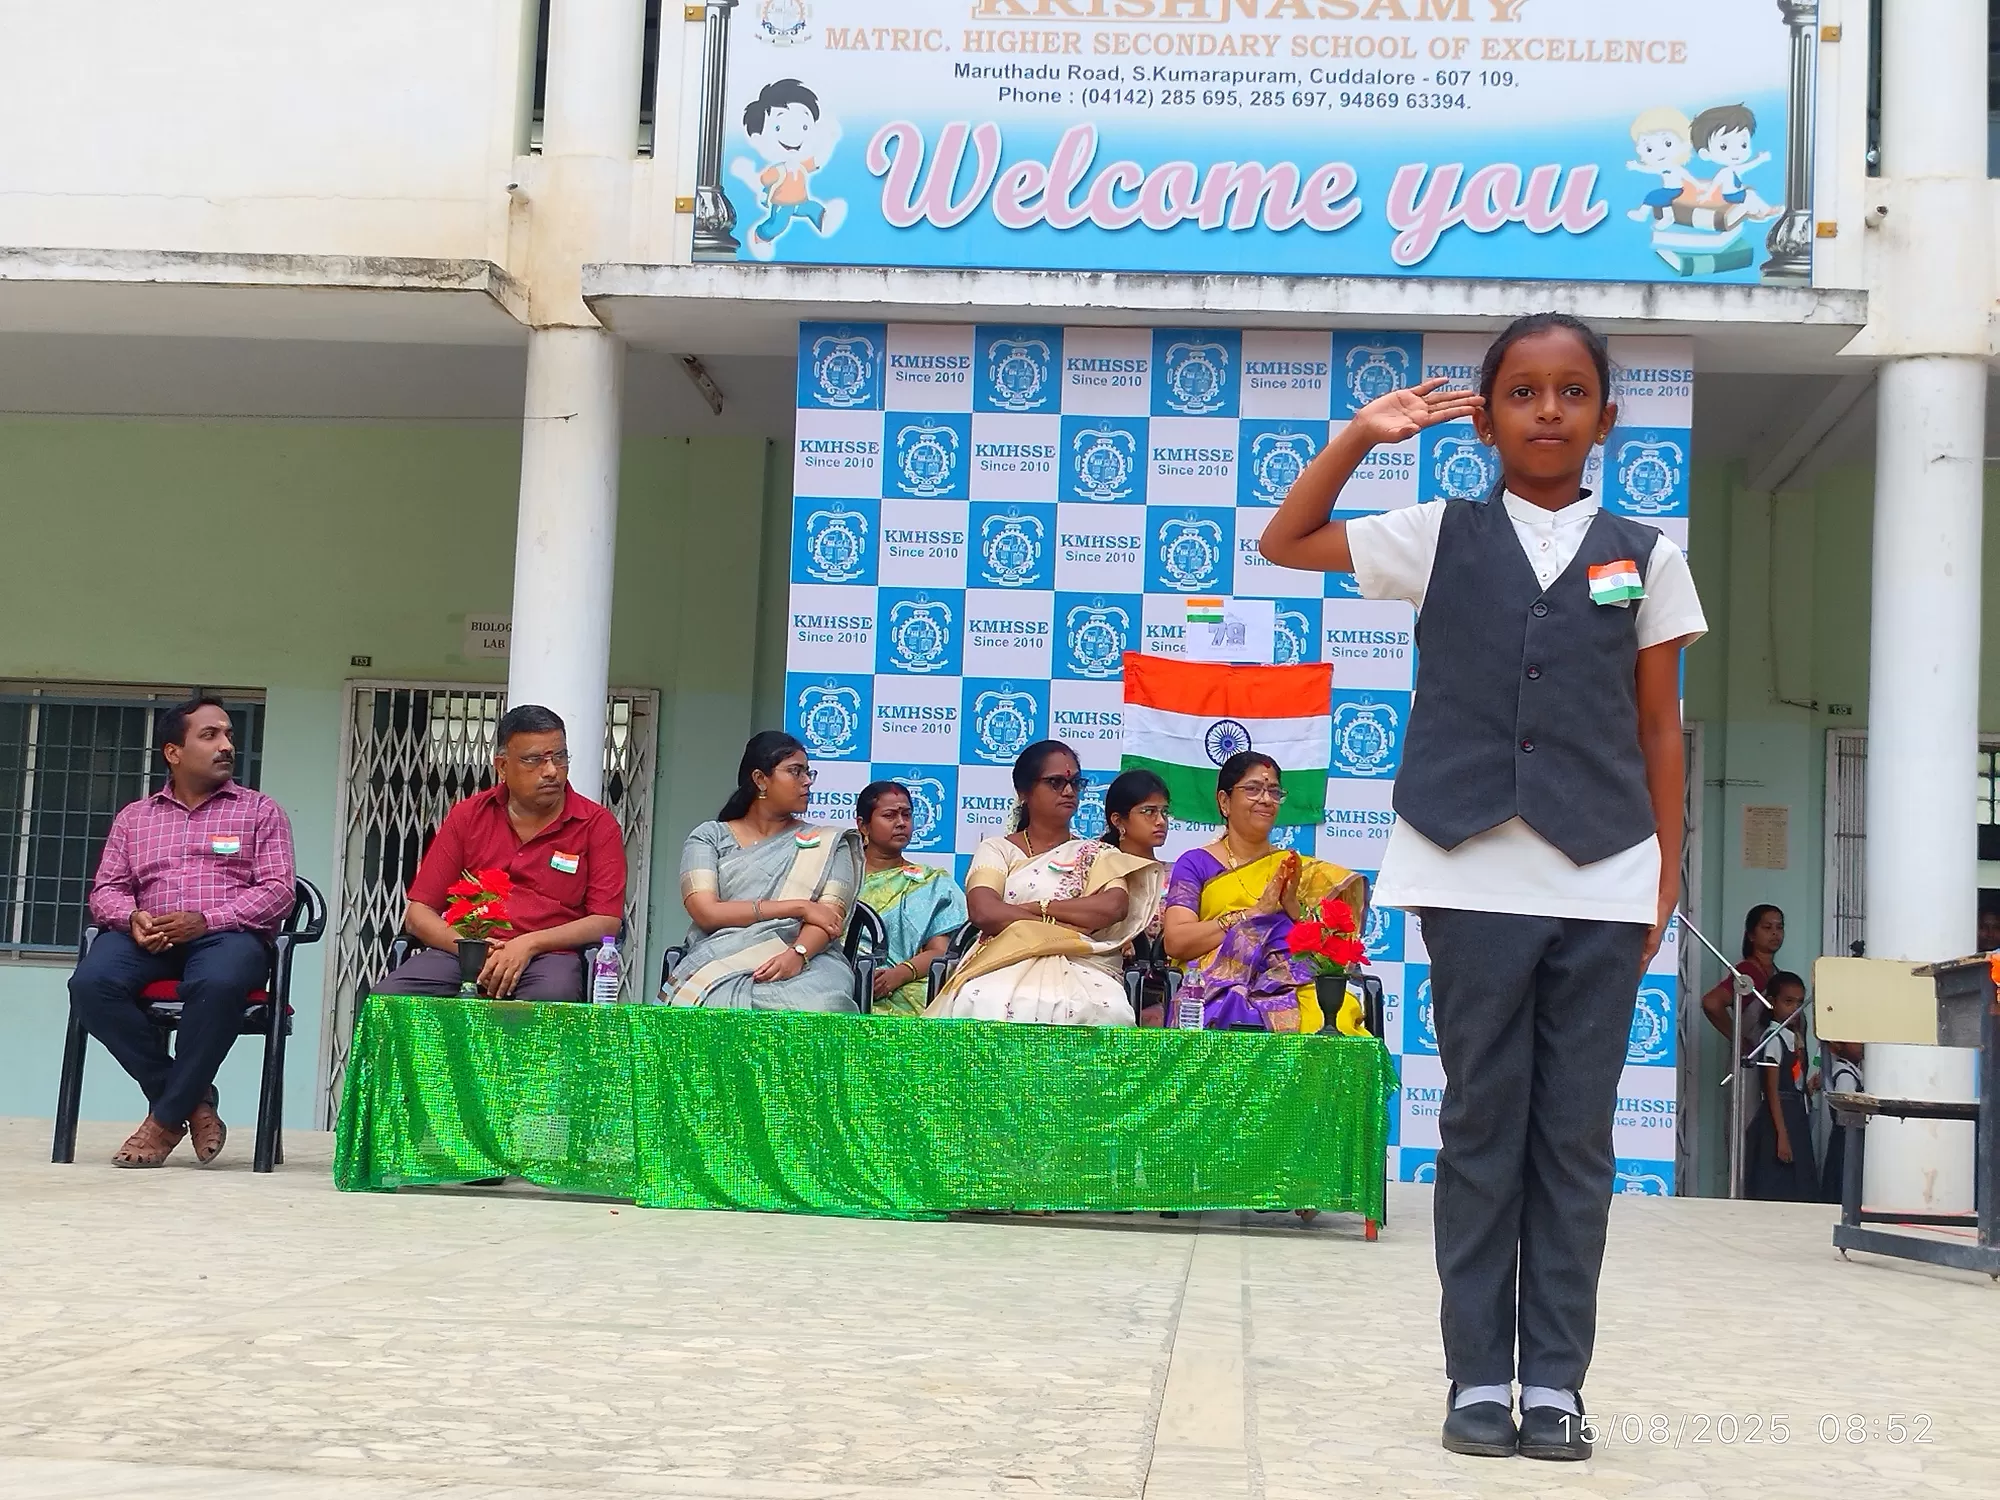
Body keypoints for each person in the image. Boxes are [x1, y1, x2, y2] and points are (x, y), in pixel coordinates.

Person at [1259, 311, 1707, 1461]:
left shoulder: (1645, 554)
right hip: (1465, 869)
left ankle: (1551, 1382)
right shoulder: (1433, 533)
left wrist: (1662, 872)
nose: (1546, 410)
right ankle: (1474, 1378)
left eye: (1570, 391)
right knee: (1478, 1129)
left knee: (1574, 1140)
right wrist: (1358, 437)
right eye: (1520, 391)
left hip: (1602, 874)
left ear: (1604, 418)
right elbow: (1284, 539)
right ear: (1485, 419)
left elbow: (1659, 728)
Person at [68, 698, 297, 1168]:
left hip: (225, 935)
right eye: (210, 735)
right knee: (90, 984)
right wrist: (131, 917)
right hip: (148, 938)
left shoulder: (259, 811)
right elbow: (106, 890)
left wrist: (208, 920)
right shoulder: (135, 818)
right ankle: (193, 1099)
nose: (226, 745)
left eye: (228, 735)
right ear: (173, 752)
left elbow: (279, 891)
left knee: (220, 982)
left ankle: (165, 1119)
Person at [375, 705, 625, 1001]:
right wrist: (472, 950)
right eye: (534, 760)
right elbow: (418, 914)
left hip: (548, 956)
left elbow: (606, 920)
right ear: (502, 766)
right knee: (390, 999)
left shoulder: (596, 824)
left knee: (549, 1002)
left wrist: (528, 944)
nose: (550, 771)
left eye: (559, 757)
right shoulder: (469, 816)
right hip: (465, 950)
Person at [926, 741, 1163, 1025]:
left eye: (1075, 783)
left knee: (1107, 1009)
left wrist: (1038, 908)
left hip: (1081, 965)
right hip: (1004, 960)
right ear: (1023, 792)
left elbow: (1113, 906)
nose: (1069, 791)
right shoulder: (998, 849)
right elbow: (984, 911)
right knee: (984, 1000)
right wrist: (1064, 922)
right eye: (1055, 782)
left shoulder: (1099, 853)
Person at [1160, 753, 1369, 1035]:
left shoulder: (1296, 868)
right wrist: (1253, 914)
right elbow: (1176, 942)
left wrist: (1292, 906)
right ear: (1224, 801)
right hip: (1217, 983)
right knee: (1238, 1008)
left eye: (1274, 791)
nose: (1266, 799)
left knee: (1336, 1015)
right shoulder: (1196, 863)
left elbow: (1327, 953)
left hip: (1292, 980)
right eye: (1253, 789)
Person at [661, 731, 862, 1010]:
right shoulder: (709, 837)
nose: (807, 781)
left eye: (808, 772)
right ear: (760, 779)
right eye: (795, 771)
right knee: (712, 1006)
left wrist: (797, 955)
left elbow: (829, 919)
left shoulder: (828, 843)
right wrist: (799, 907)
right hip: (719, 960)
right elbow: (706, 913)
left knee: (821, 1006)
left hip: (810, 961)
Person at [854, 780, 966, 1016]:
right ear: (863, 825)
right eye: (889, 816)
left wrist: (899, 975)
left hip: (907, 984)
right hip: (841, 980)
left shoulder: (930, 882)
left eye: (906, 815)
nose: (901, 823)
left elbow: (940, 952)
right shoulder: (840, 877)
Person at [1744, 971, 1818, 1201]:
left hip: (1795, 1114)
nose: (1794, 1009)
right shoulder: (1773, 1040)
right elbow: (1772, 1090)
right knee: (1780, 1183)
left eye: (1799, 1003)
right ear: (1772, 1002)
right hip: (1780, 1118)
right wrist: (1782, 1136)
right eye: (1788, 1002)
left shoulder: (1793, 1037)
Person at [1701, 903, 1784, 1047]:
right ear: (1751, 935)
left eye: (1780, 927)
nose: (1775, 933)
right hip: (1754, 1057)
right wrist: (1739, 1041)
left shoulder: (1776, 973)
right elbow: (1711, 1002)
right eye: (1767, 927)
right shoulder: (1748, 971)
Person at [1817, 1036, 1864, 1203]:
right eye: (1855, 1041)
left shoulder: (1851, 1071)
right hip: (1846, 1138)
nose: (1860, 1045)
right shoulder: (1845, 1075)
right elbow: (1846, 1113)